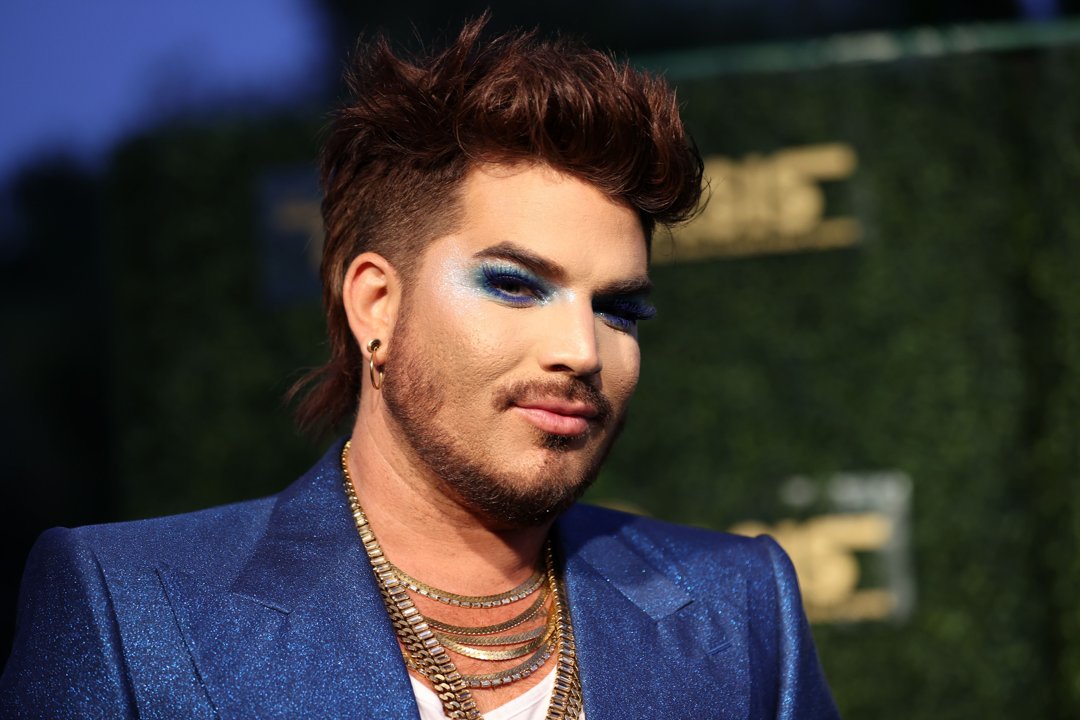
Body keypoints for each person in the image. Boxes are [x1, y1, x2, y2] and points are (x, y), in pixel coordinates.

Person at [0, 17, 839, 720]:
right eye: (516, 285)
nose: (582, 351)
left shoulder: (738, 609)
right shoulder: (131, 612)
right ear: (376, 304)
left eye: (619, 308)